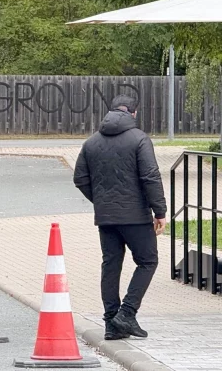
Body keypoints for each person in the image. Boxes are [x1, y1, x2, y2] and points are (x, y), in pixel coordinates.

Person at [73, 94, 167, 341]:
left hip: (106, 217)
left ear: (111, 111)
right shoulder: (139, 139)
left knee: (111, 265)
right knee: (148, 261)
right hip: (135, 216)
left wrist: (102, 201)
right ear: (134, 113)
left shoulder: (91, 142)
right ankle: (127, 313)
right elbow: (150, 177)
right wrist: (160, 212)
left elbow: (80, 179)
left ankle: (111, 323)